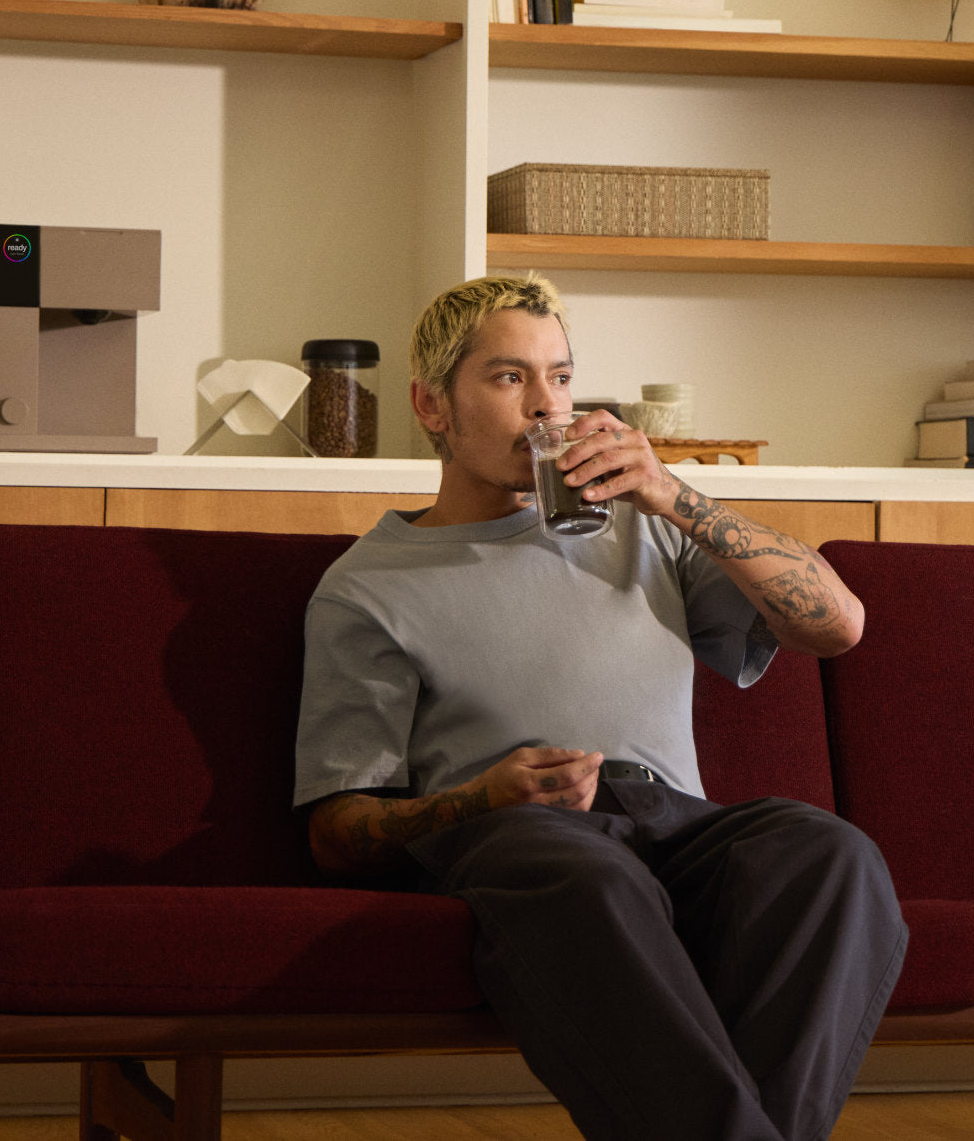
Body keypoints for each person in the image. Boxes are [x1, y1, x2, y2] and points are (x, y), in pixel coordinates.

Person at [294, 273, 907, 1141]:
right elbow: (337, 832)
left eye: (561, 378)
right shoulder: (366, 588)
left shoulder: (647, 527)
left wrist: (673, 495)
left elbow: (836, 626)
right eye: (509, 378)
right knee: (582, 874)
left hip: (674, 819)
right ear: (432, 405)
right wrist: (482, 797)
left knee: (825, 851)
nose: (547, 408)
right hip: (520, 833)